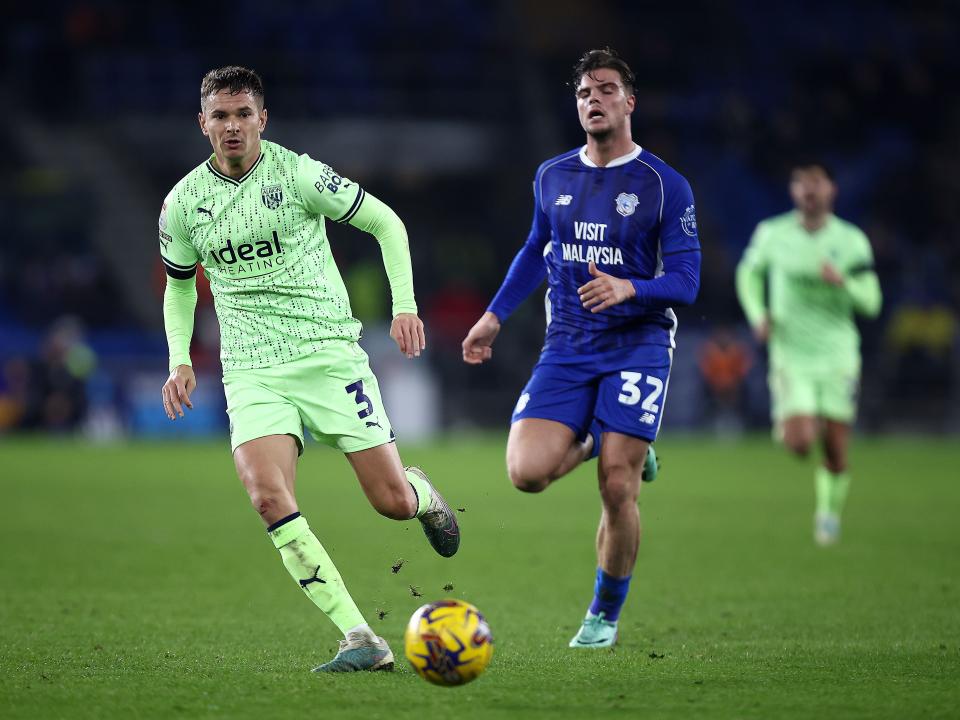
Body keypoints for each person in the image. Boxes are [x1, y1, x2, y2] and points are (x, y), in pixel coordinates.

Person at [158, 66, 460, 673]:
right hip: (251, 371)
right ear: (203, 124)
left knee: (390, 502)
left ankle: (422, 494)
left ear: (262, 119)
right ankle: (359, 638)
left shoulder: (298, 174)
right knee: (268, 497)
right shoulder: (183, 203)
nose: (233, 126)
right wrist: (180, 359)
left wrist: (404, 306)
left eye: (244, 114)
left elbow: (386, 222)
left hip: (327, 357)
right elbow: (180, 286)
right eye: (220, 116)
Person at [461, 48, 701, 648]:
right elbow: (532, 249)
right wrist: (493, 316)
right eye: (583, 94)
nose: (593, 101)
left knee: (618, 485)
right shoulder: (552, 175)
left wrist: (631, 288)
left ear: (629, 102)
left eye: (606, 90)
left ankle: (603, 614)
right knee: (526, 474)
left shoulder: (663, 185)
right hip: (567, 344)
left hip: (638, 344)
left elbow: (688, 282)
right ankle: (602, 433)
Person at [735, 161, 882, 545]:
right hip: (791, 354)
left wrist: (844, 283)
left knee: (835, 450)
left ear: (832, 189)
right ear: (792, 191)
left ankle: (828, 516)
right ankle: (796, 420)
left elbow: (872, 302)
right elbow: (748, 274)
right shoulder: (773, 234)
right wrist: (758, 313)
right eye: (801, 183)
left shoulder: (851, 241)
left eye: (816, 182)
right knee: (800, 443)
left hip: (838, 355)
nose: (808, 190)